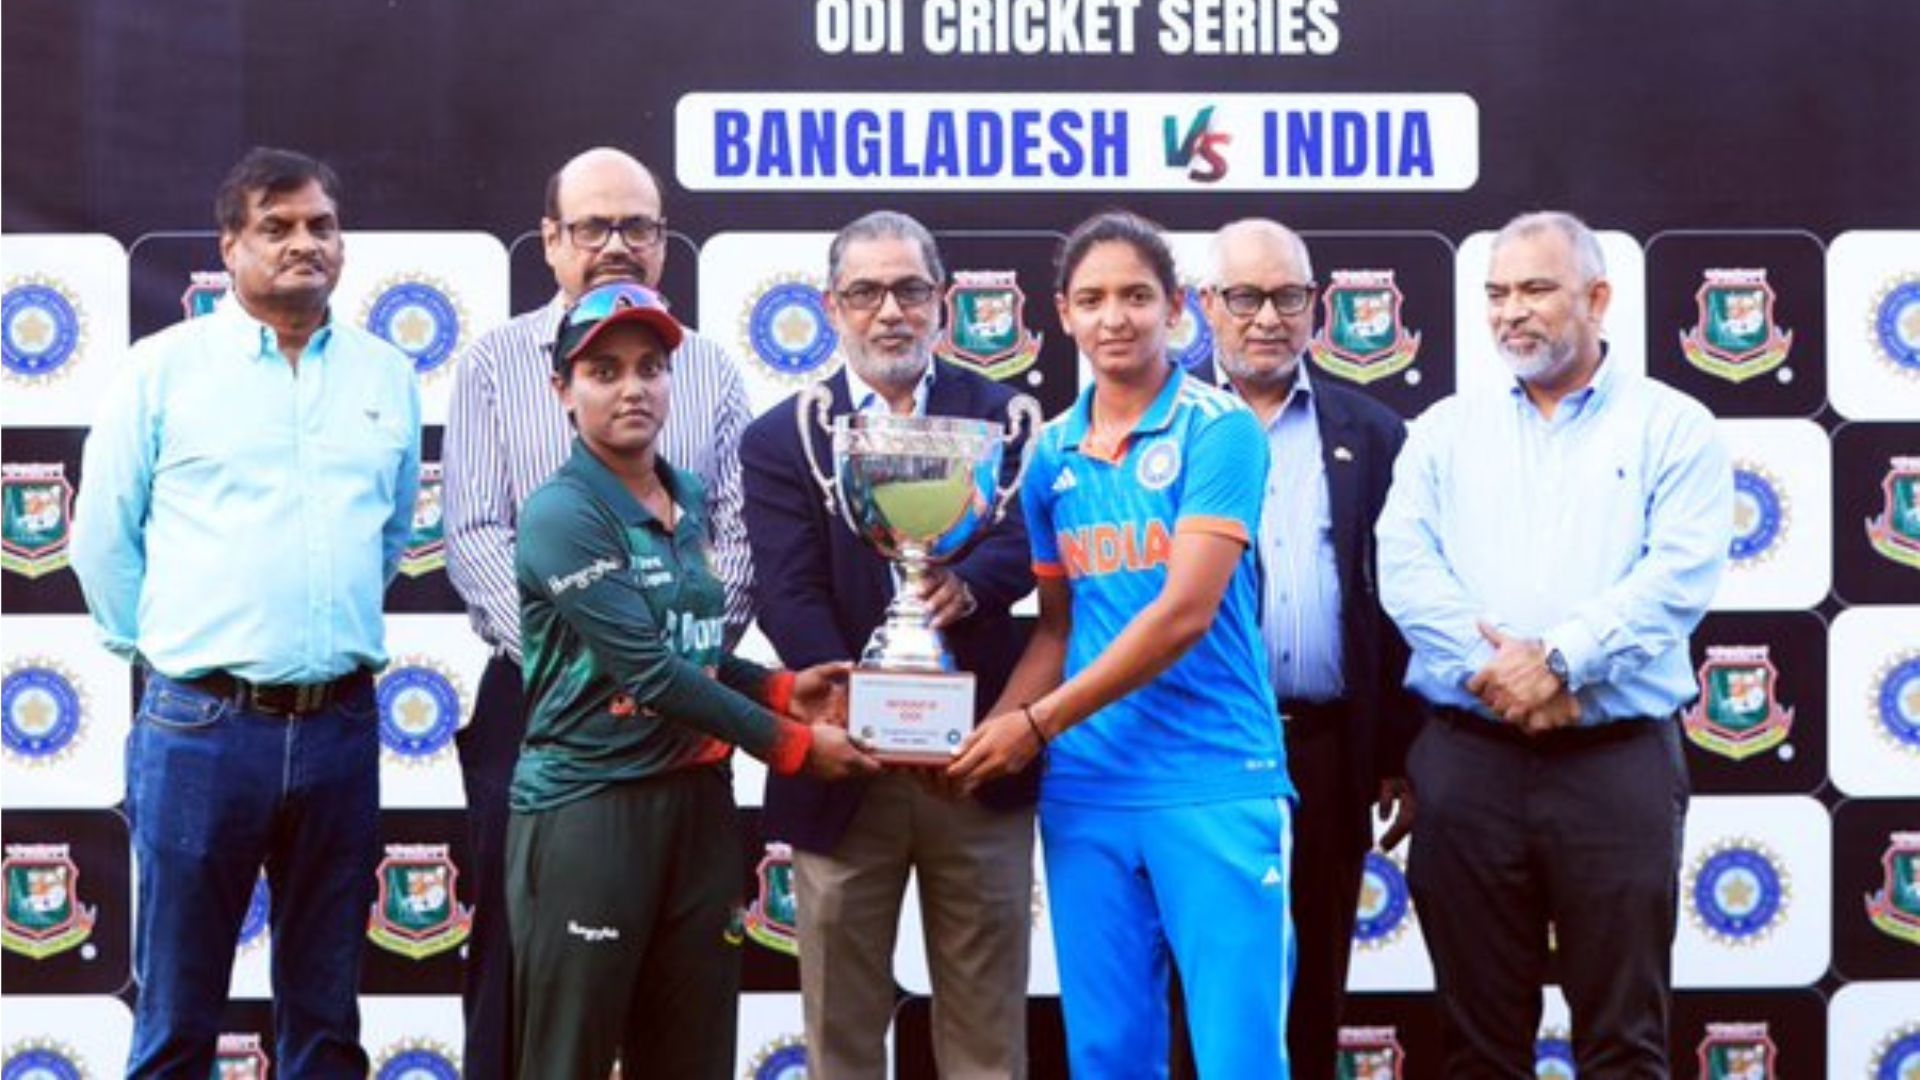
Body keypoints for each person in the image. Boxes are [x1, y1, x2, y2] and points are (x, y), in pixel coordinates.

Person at [70, 146, 422, 1078]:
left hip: (342, 725)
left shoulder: (387, 377)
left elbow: (386, 539)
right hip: (200, 729)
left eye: (320, 226)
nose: (303, 243)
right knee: (178, 1018)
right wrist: (175, 656)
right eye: (276, 227)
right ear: (230, 248)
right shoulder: (162, 372)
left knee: (326, 1018)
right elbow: (102, 538)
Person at [1375, 211, 1731, 1076]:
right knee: (1477, 1045)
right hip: (1469, 763)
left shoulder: (1673, 427)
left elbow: (1677, 578)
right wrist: (1500, 675)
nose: (1511, 313)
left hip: (1615, 767)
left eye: (1536, 289)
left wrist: (1561, 659)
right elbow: (1404, 568)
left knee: (1623, 1041)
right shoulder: (1444, 430)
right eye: (1497, 293)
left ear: (1598, 297)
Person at [949, 211, 1294, 1078]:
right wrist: (986, 729)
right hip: (1090, 791)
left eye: (1137, 296)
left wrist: (1036, 727)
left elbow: (1183, 613)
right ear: (1062, 313)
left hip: (1213, 778)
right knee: (1107, 1055)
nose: (1116, 318)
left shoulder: (1219, 431)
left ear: (1175, 307)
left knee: (1239, 1057)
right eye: (1093, 299)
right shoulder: (1052, 456)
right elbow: (1060, 629)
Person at [507, 282, 879, 1079]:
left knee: (693, 1056)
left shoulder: (688, 494)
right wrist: (792, 745)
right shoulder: (560, 512)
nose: (633, 387)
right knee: (567, 1059)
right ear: (562, 391)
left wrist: (783, 689)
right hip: (592, 807)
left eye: (650, 367)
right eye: (604, 371)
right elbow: (646, 669)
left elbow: (693, 647)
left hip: (698, 808)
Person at [440, 146, 753, 1080]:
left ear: (663, 243)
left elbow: (733, 538)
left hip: (688, 706)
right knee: (520, 966)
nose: (617, 244)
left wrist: (675, 658)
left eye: (639, 227)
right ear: (549, 242)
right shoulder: (497, 363)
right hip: (542, 703)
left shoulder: (709, 368)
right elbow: (475, 530)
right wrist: (590, 646)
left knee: (685, 970)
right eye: (593, 227)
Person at [741, 210, 1039, 1079]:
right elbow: (785, 590)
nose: (890, 311)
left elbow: (1036, 545)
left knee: (988, 1037)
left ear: (942, 303)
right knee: (842, 1037)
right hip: (842, 766)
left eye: (910, 289)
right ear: (833, 307)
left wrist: (972, 580)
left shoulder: (1013, 421)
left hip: (977, 763)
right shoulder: (782, 435)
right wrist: (861, 703)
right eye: (865, 292)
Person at [1197, 218, 1419, 1080]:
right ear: (1207, 306)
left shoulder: (1373, 432)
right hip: (1200, 755)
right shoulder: (1165, 425)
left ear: (1316, 307)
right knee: (1201, 989)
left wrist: (1396, 753)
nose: (1266, 317)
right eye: (1245, 296)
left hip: (1328, 752)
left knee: (1316, 984)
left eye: (1288, 296)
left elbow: (1396, 603)